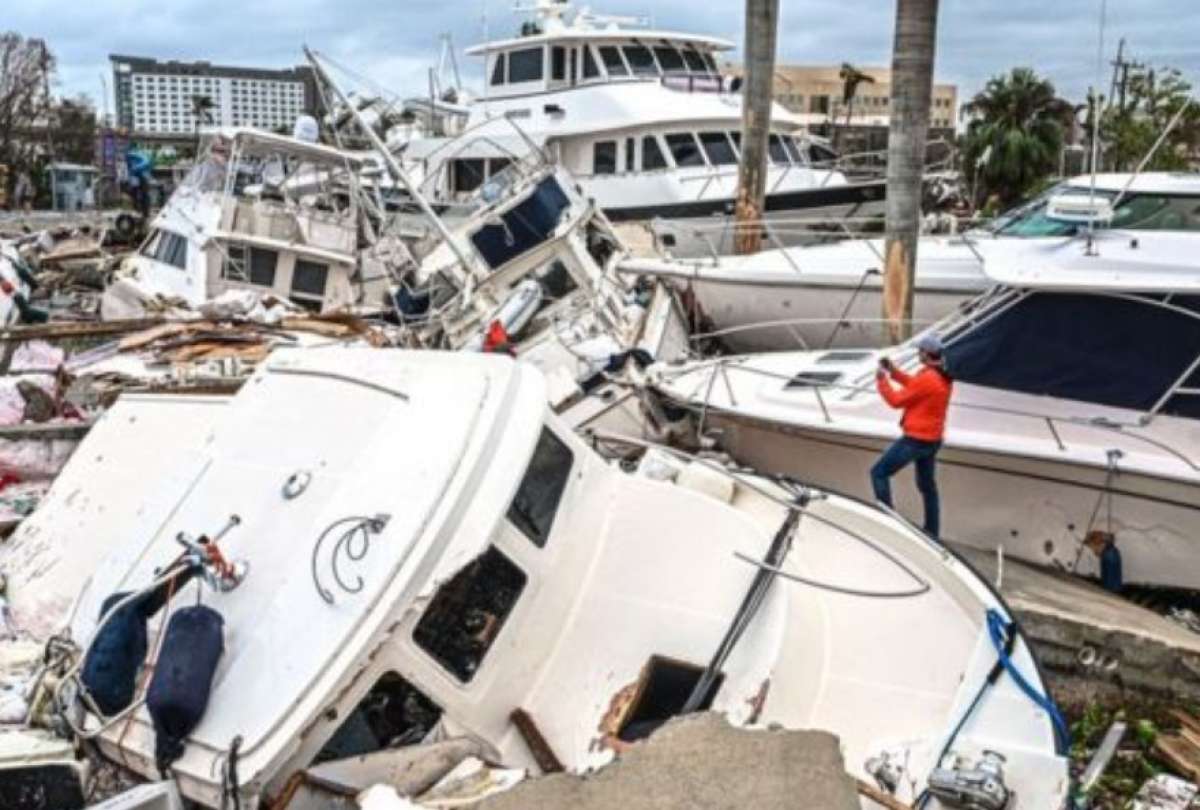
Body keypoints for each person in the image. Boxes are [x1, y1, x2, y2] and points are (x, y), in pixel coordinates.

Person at [871, 334, 953, 539]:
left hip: (915, 440)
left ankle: (888, 520)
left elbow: (896, 401)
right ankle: (932, 532)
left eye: (919, 351)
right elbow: (915, 385)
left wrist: (882, 380)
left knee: (878, 473)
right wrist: (894, 372)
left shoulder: (928, 378)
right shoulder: (941, 375)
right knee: (927, 487)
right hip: (932, 440)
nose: (918, 354)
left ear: (925, 354)